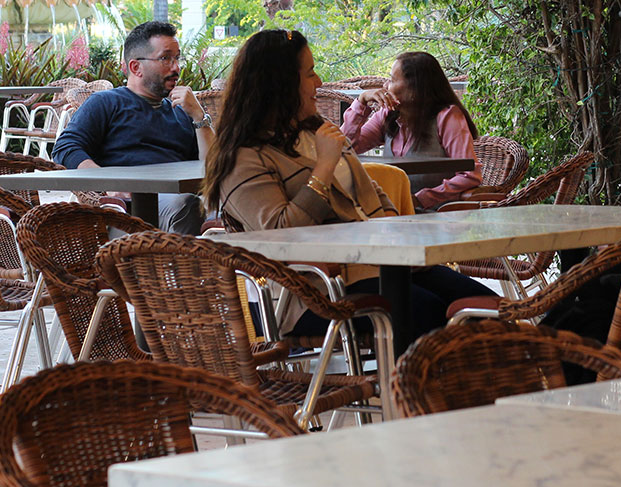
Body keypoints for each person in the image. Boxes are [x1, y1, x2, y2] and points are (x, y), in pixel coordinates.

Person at [202, 30, 495, 338]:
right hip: (311, 292)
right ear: (280, 84)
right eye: (310, 74)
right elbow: (280, 232)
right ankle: (409, 384)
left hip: (381, 266)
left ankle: (486, 383)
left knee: (484, 308)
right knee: (433, 315)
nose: (318, 83)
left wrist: (395, 238)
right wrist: (324, 168)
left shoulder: (318, 130)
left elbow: (373, 191)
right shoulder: (242, 156)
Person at [52, 21, 213, 234]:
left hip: (179, 198)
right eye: (166, 58)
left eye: (177, 58)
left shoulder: (181, 111)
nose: (176, 68)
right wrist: (108, 181)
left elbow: (213, 167)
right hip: (130, 206)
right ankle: (171, 267)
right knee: (187, 206)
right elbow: (65, 148)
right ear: (136, 67)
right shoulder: (106, 102)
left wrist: (199, 116)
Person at [341, 51, 482, 211]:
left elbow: (470, 175)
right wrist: (361, 101)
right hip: (393, 215)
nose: (385, 86)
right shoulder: (387, 116)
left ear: (415, 89)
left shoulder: (447, 117)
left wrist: (420, 199)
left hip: (437, 218)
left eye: (392, 80)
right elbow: (344, 148)